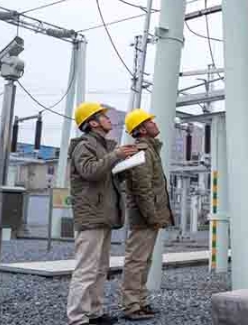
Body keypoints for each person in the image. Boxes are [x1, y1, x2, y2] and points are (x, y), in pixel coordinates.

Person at [66, 102, 138, 325]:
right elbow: (90, 171)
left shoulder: (103, 147)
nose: (109, 119)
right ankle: (77, 318)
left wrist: (125, 167)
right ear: (92, 123)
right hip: (91, 215)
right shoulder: (83, 146)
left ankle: (94, 313)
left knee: (99, 269)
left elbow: (107, 177)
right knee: (86, 269)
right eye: (103, 117)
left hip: (103, 214)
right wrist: (115, 155)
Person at [119, 109, 174, 320]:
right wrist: (152, 217)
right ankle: (131, 306)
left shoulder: (150, 150)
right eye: (150, 121)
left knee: (144, 261)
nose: (154, 123)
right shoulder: (141, 151)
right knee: (136, 261)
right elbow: (142, 189)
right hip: (145, 217)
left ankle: (140, 302)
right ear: (142, 129)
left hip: (149, 216)